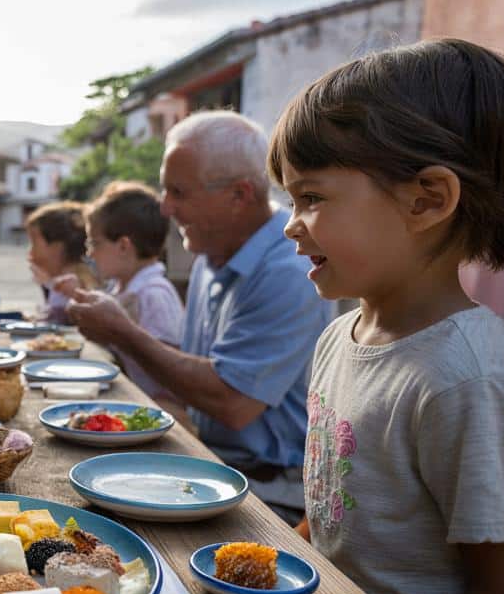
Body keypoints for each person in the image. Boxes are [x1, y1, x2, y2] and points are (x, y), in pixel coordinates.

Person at [271, 39, 504, 594]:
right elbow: (336, 504)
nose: (290, 226)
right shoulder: (341, 336)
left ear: (427, 199)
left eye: (311, 196)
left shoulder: (471, 382)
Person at [69, 110, 334, 523]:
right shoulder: (211, 252)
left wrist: (124, 333)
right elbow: (191, 377)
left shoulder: (288, 269)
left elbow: (232, 402)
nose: (165, 208)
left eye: (178, 192)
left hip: (269, 493)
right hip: (212, 463)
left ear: (239, 195)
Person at [83, 181, 184, 398]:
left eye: (94, 244)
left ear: (123, 246)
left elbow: (171, 370)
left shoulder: (153, 294)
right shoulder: (120, 287)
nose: (90, 254)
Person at [23, 201, 99, 323]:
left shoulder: (80, 285)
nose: (30, 254)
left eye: (34, 244)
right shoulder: (56, 284)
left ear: (57, 247)